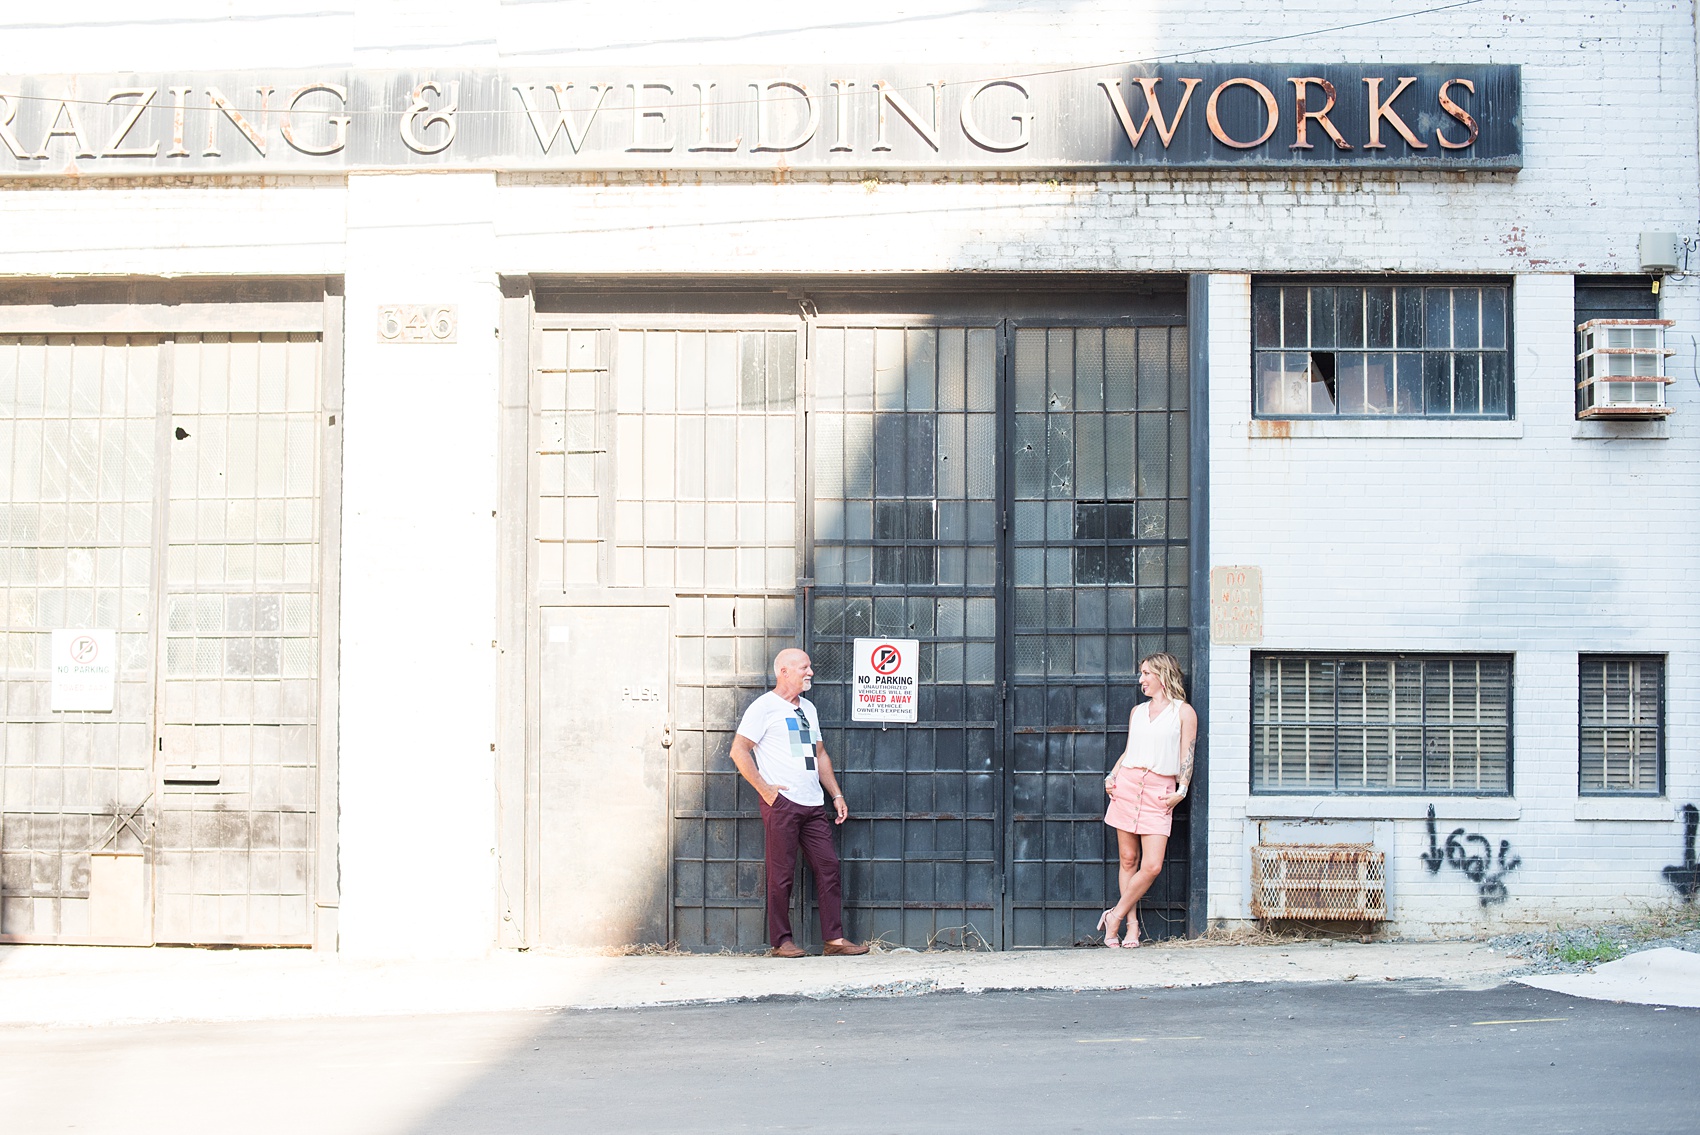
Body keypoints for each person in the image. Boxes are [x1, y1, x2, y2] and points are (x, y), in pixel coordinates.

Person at [730, 648, 869, 958]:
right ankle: (781, 942)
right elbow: (739, 751)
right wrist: (765, 790)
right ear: (784, 672)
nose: (811, 673)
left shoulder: (808, 708)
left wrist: (836, 794)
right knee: (781, 874)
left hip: (813, 804)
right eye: (804, 668)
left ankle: (834, 940)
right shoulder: (764, 707)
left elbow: (819, 755)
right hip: (783, 803)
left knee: (828, 866)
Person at [1100, 652, 1197, 948]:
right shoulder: (1137, 712)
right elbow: (1130, 750)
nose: (1141, 679)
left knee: (1152, 865)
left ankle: (1114, 916)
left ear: (1162, 676)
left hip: (1159, 791)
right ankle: (1130, 927)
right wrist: (1111, 775)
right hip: (1127, 785)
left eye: (1146, 673)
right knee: (1128, 860)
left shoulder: (1183, 712)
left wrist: (1181, 792)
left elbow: (1187, 755)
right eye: (1141, 674)